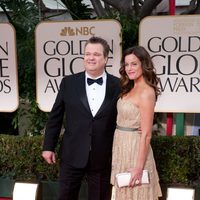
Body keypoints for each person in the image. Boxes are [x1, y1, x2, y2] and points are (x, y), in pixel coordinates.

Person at [42, 36, 120, 200]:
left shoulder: (119, 85)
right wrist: (48, 146)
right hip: (72, 153)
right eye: (87, 54)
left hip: (103, 156)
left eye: (97, 54)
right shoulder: (69, 82)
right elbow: (55, 117)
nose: (91, 58)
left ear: (106, 59)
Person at [111, 46, 162, 200]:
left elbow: (146, 135)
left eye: (134, 64)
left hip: (135, 149)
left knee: (136, 192)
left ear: (143, 64)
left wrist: (139, 167)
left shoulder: (147, 92)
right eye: (126, 64)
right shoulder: (128, 88)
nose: (129, 68)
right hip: (121, 145)